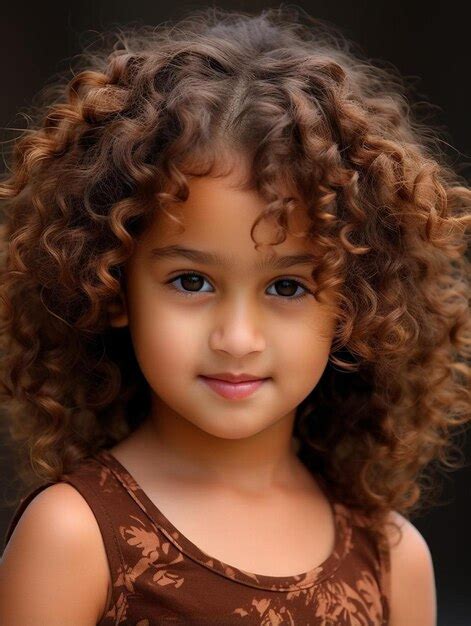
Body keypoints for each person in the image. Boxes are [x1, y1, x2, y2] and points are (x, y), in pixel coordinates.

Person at [0, 6, 468, 625]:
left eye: (287, 287)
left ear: (355, 303)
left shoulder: (393, 559)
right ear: (112, 285)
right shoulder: (76, 538)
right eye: (191, 281)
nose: (238, 338)